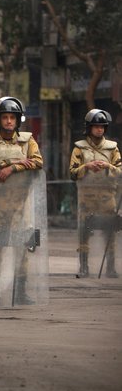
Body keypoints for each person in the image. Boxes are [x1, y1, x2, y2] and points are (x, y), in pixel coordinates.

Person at [0, 96, 43, 305]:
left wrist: (12, 168)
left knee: (21, 247)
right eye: (4, 117)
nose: (8, 121)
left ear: (18, 120)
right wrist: (11, 161)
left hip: (21, 203)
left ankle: (21, 291)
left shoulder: (28, 140)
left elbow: (37, 162)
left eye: (12, 118)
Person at [69, 109, 121, 278]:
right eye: (96, 126)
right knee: (84, 232)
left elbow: (120, 171)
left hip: (108, 196)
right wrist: (86, 167)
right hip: (86, 198)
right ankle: (84, 267)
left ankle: (111, 267)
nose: (99, 129)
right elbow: (72, 172)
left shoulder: (112, 148)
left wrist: (108, 167)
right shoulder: (79, 149)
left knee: (110, 231)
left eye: (102, 126)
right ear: (89, 128)